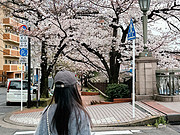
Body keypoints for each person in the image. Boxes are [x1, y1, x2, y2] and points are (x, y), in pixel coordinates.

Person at [35, 70, 91, 135]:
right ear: (73, 91)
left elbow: (41, 132)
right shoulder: (80, 114)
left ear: (56, 91)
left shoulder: (47, 112)